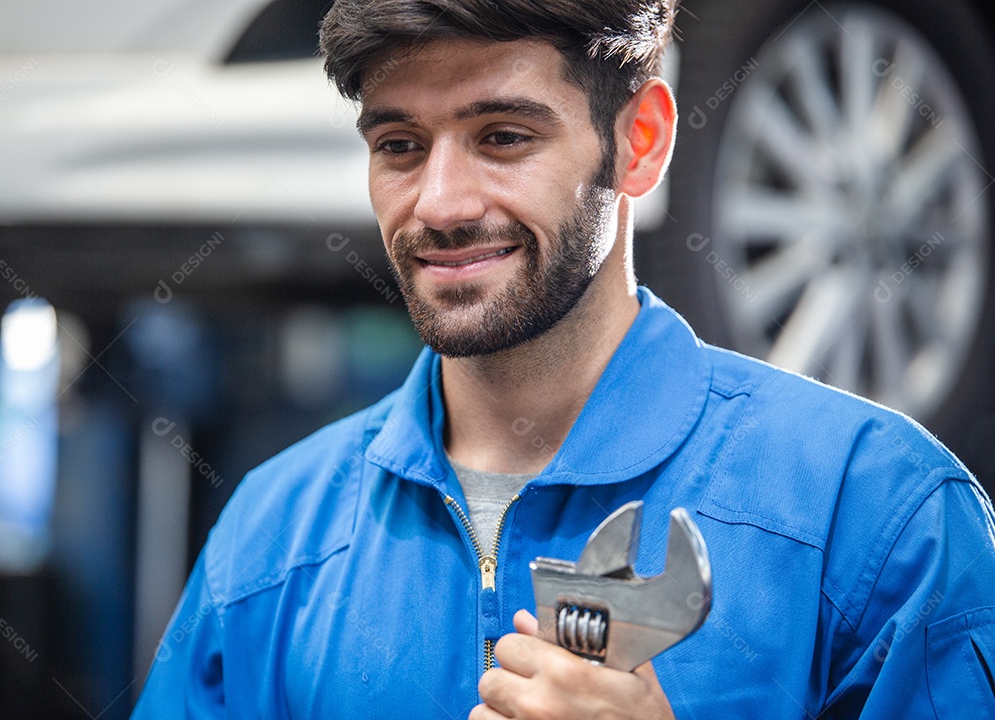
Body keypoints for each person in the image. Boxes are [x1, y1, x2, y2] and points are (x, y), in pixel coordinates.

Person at [132, 0, 995, 717]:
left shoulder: (877, 513)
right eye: (399, 145)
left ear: (641, 142)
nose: (440, 204)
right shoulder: (271, 536)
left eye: (503, 137)